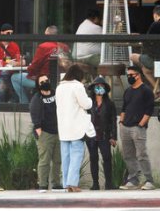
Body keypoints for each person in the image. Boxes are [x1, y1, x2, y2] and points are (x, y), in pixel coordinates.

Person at [55, 64, 92, 193]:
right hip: (76, 128)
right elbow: (86, 104)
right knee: (76, 155)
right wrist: (90, 99)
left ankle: (66, 183)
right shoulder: (77, 86)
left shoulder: (59, 87)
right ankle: (73, 183)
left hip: (63, 128)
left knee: (65, 157)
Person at [118, 65, 156, 190]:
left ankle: (149, 180)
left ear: (138, 75)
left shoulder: (146, 90)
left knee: (141, 155)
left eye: (131, 75)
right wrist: (121, 122)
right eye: (127, 75)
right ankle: (133, 180)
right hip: (125, 127)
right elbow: (124, 107)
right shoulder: (128, 91)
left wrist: (141, 124)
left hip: (138, 128)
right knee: (128, 155)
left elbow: (149, 110)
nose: (129, 77)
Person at [22, 26, 70, 104]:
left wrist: (29, 71)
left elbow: (34, 66)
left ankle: (24, 104)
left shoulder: (43, 46)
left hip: (44, 79)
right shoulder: (64, 47)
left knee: (15, 78)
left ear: (47, 35)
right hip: (60, 79)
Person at [30, 73, 62, 192]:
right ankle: (43, 184)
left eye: (46, 80)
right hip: (45, 133)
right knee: (44, 160)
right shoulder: (37, 98)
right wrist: (40, 132)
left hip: (58, 132)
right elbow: (34, 115)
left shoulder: (56, 94)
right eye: (42, 82)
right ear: (38, 86)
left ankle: (56, 184)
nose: (45, 83)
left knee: (57, 160)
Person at [87, 76, 117, 190]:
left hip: (104, 135)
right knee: (93, 158)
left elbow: (113, 120)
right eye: (97, 87)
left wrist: (113, 136)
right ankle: (95, 183)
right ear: (93, 88)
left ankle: (109, 183)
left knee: (107, 158)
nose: (99, 88)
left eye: (101, 86)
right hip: (91, 136)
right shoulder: (89, 103)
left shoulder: (110, 104)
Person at [0, 23, 23, 101]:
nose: (10, 35)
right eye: (8, 33)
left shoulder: (14, 45)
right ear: (1, 33)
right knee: (1, 87)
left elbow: (19, 60)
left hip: (11, 75)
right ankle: (0, 107)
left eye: (12, 33)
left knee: (18, 86)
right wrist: (9, 63)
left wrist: (20, 62)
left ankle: (13, 105)